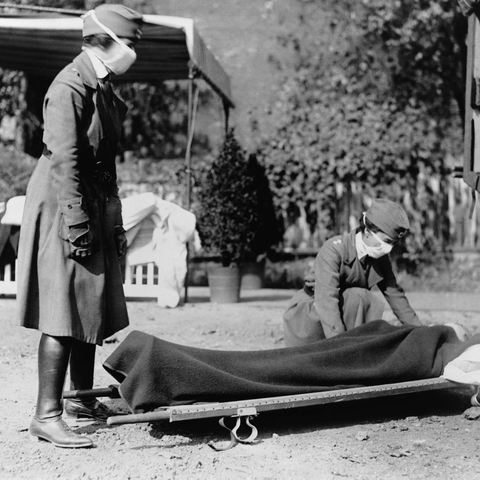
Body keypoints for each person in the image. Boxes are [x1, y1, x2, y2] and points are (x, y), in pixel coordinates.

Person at [16, 4, 143, 448]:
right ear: (103, 40)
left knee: (88, 303)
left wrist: (115, 218)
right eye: (130, 42)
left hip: (92, 199)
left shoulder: (103, 87)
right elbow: (64, 162)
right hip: (63, 202)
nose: (133, 52)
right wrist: (77, 223)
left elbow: (106, 161)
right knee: (63, 308)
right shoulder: (70, 85)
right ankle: (46, 415)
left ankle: (80, 399)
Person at [283, 198, 422, 347]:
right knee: (358, 296)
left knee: (360, 297)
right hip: (310, 316)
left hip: (341, 314)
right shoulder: (334, 250)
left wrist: (421, 332)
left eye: (393, 243)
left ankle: (355, 348)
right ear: (368, 231)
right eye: (386, 241)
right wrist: (340, 347)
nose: (389, 248)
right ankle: (348, 349)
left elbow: (395, 295)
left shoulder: (380, 258)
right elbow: (326, 301)